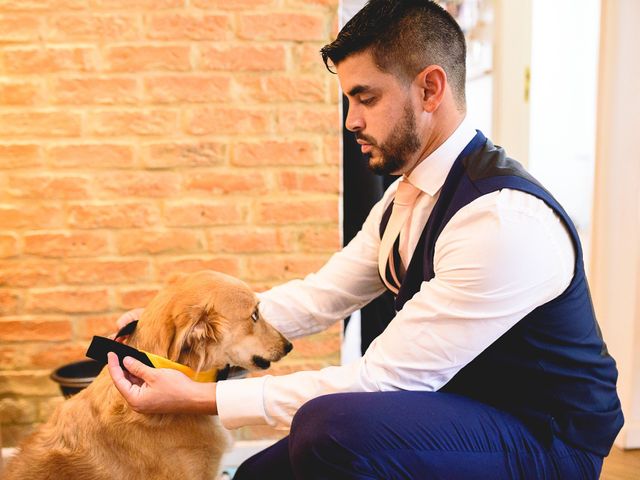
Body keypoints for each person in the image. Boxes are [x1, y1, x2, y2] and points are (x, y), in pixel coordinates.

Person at [107, 1, 624, 478]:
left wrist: (198, 398)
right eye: (348, 100)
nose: (351, 120)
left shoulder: (501, 221)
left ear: (429, 89)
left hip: (546, 439)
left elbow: (383, 381)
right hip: (461, 405)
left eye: (366, 98)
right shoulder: (409, 194)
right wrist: (186, 323)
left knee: (333, 428)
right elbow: (323, 296)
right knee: (253, 475)